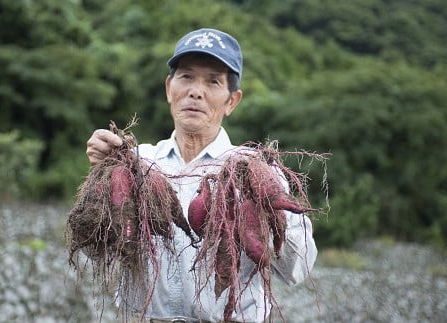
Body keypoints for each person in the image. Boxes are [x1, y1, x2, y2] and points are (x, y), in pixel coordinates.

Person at [85, 28, 317, 322]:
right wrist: (101, 176)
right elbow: (98, 251)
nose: (196, 91)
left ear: (232, 101)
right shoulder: (136, 162)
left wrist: (270, 216)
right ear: (169, 88)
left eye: (213, 81)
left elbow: (299, 269)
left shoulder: (257, 173)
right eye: (187, 77)